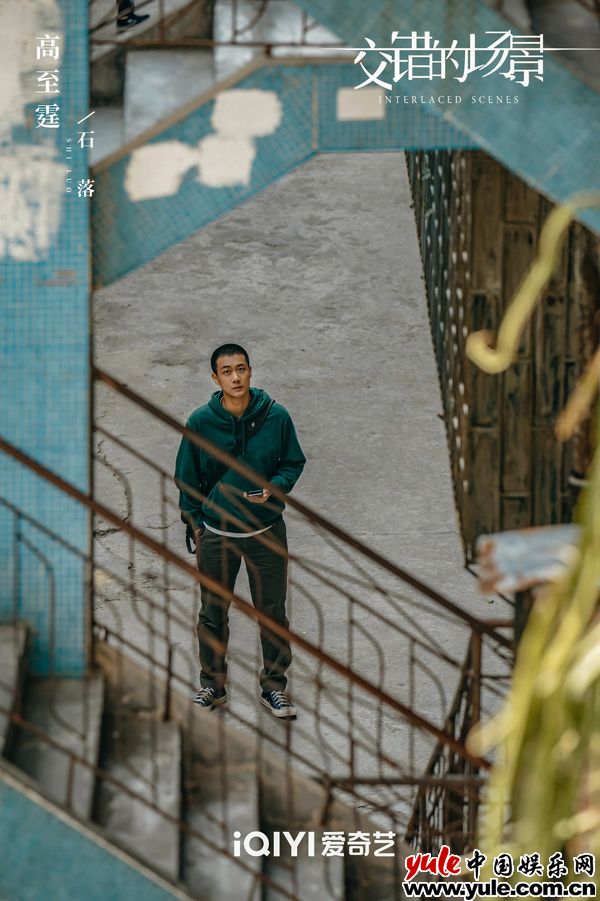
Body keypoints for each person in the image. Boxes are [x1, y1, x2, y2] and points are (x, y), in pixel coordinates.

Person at [174, 344, 306, 718]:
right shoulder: (201, 422)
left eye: (241, 369)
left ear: (250, 371)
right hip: (217, 535)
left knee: (273, 613)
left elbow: (293, 461)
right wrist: (198, 526)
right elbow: (186, 478)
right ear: (215, 378)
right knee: (212, 614)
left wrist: (275, 487)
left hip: (266, 531)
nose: (236, 377)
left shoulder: (276, 416)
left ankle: (274, 689)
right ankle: (213, 686)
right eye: (227, 371)